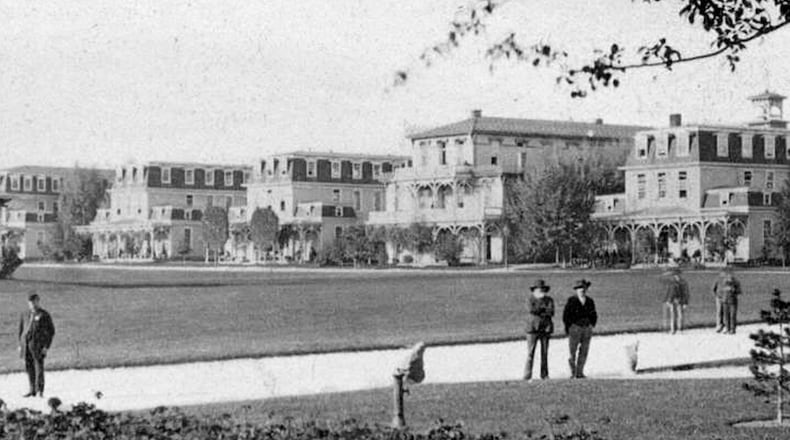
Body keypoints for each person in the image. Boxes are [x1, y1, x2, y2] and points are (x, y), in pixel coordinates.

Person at [18, 293, 55, 398]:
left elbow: (51, 331)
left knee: (39, 368)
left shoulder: (44, 315)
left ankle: (40, 391)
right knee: (29, 367)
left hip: (38, 345)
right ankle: (32, 389)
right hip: (26, 344)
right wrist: (20, 345)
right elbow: (21, 330)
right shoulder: (25, 314)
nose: (32, 304)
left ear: (38, 301)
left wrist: (46, 346)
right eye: (30, 302)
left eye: (34, 302)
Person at [562, 279, 598, 379]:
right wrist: (569, 327)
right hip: (575, 328)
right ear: (576, 290)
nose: (581, 290)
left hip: (586, 328)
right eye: (579, 288)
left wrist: (591, 325)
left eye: (583, 288)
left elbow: (593, 314)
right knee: (572, 351)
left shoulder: (590, 301)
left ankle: (580, 372)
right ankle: (572, 372)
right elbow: (566, 315)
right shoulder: (571, 301)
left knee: (584, 351)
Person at [524, 279, 555, 381]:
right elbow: (531, 310)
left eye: (542, 289)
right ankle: (527, 375)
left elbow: (551, 312)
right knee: (530, 352)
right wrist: (543, 309)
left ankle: (544, 374)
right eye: (538, 289)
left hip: (545, 328)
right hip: (532, 328)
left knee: (544, 353)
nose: (540, 291)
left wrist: (541, 310)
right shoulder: (530, 299)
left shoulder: (549, 300)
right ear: (534, 290)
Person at [663, 268, 689, 334]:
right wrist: (667, 300)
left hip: (679, 300)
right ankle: (673, 329)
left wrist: (685, 302)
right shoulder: (671, 283)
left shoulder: (683, 282)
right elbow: (669, 292)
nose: (676, 276)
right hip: (672, 300)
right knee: (673, 315)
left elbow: (685, 293)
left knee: (680, 315)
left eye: (677, 275)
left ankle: (680, 328)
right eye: (675, 275)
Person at [717, 270, 742, 334]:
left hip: (733, 301)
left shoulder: (736, 282)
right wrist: (721, 297)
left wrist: (733, 290)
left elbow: (739, 291)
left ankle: (732, 329)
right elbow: (720, 291)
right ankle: (727, 328)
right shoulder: (723, 282)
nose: (729, 276)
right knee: (726, 316)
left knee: (732, 315)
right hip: (725, 300)